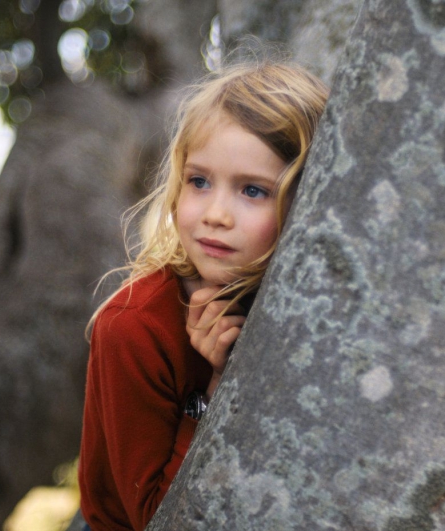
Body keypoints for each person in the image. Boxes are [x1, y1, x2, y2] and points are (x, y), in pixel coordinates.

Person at [77, 60, 329, 530]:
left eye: (252, 190)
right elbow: (157, 518)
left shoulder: (296, 300)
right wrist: (219, 387)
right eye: (199, 181)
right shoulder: (132, 328)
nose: (215, 214)